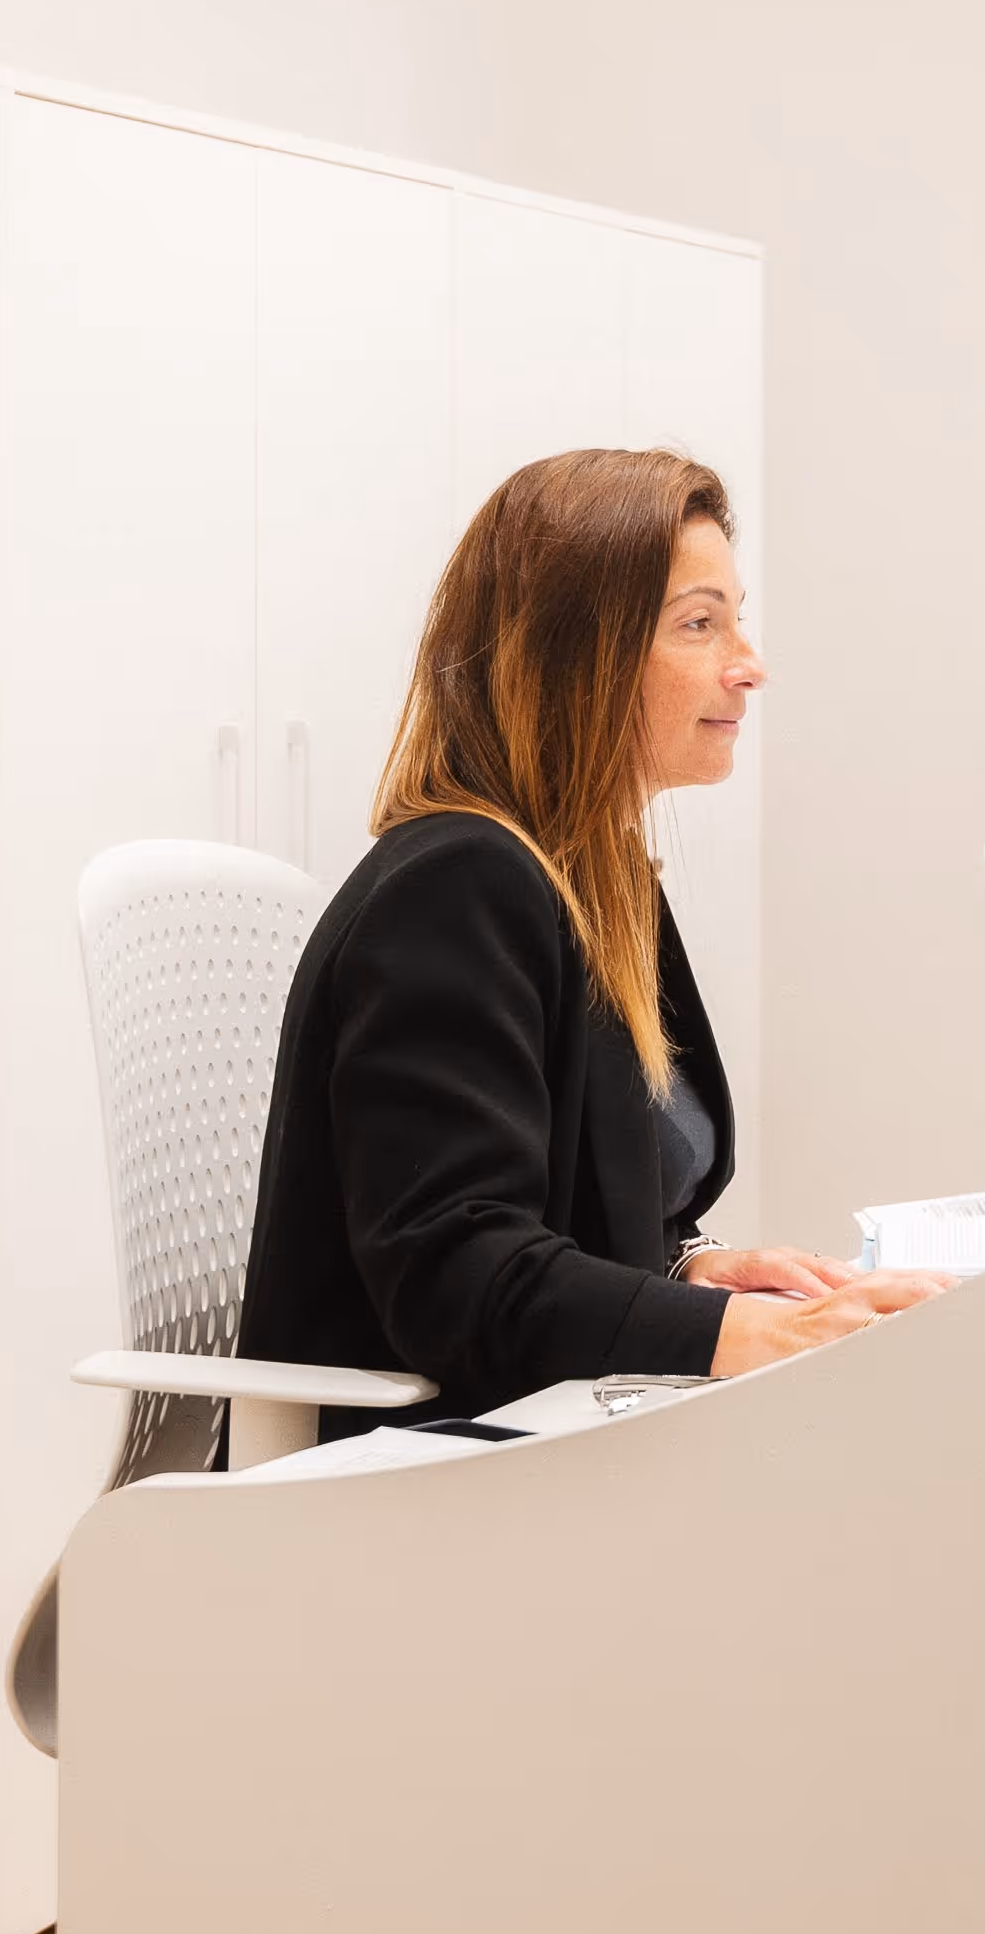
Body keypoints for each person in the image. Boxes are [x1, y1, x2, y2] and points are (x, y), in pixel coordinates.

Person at [241, 448, 942, 1435]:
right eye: (700, 624)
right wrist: (731, 1333)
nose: (748, 663)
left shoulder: (593, 879)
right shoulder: (458, 888)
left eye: (735, 619)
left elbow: (555, 1215)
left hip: (555, 1436)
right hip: (421, 1484)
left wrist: (685, 1273)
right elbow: (460, 1277)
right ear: (579, 654)